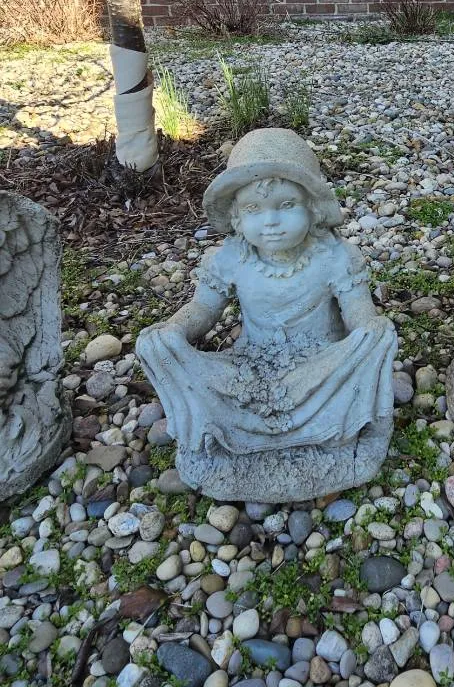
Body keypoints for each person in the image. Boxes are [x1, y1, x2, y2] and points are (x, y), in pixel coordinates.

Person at [135, 129, 397, 474]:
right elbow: (203, 310)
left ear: (313, 209)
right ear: (237, 217)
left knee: (376, 338)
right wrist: (174, 330)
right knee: (161, 347)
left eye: (286, 206)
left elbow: (357, 316)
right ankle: (239, 431)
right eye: (253, 209)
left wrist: (371, 332)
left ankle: (330, 427)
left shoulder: (336, 257)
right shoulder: (229, 259)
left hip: (320, 368)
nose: (270, 221)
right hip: (249, 367)